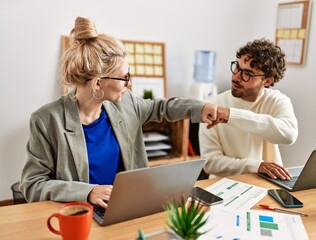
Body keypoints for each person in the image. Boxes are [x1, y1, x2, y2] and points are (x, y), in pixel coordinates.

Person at [20, 16, 223, 209]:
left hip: (126, 207)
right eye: (124, 77)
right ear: (98, 83)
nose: (129, 83)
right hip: (80, 214)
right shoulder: (46, 120)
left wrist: (200, 108)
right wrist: (87, 192)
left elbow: (160, 107)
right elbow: (32, 184)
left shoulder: (125, 103)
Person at [199, 38, 298, 180]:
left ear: (268, 80)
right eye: (237, 67)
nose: (236, 77)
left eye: (248, 74)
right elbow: (210, 163)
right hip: (223, 187)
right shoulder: (214, 105)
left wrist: (230, 115)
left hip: (267, 184)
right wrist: (255, 166)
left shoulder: (277, 101)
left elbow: (289, 135)